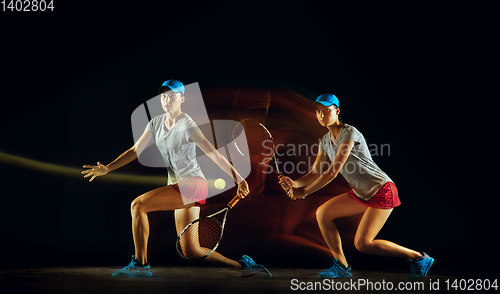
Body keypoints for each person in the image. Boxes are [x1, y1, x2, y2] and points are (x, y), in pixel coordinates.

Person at [82, 80, 260, 277]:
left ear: (182, 99)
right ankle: (243, 266)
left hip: (194, 185)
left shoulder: (188, 124)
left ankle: (141, 266)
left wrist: (238, 178)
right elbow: (134, 151)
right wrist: (108, 168)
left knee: (137, 206)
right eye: (164, 96)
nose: (167, 100)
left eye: (172, 96)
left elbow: (214, 154)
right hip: (178, 186)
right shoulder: (155, 123)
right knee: (191, 250)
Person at [279, 93, 434, 280]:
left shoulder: (349, 132)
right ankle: (342, 266)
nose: (321, 115)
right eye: (318, 112)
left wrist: (303, 193)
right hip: (362, 193)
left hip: (382, 189)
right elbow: (315, 172)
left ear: (337, 111)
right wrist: (294, 183)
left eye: (326, 111)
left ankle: (419, 258)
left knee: (363, 244)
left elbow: (332, 172)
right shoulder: (325, 141)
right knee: (323, 214)